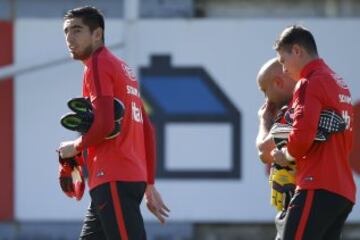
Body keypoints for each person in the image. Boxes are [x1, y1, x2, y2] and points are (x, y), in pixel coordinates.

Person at [58, 6, 170, 239]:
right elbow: (147, 129)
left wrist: (75, 146)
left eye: (77, 30)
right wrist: (148, 184)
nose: (70, 38)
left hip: (113, 177)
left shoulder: (97, 64)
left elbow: (106, 125)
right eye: (66, 31)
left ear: (97, 34)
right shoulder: (122, 68)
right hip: (122, 178)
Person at [272, 25, 356, 240]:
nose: (283, 69)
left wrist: (285, 155)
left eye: (283, 60)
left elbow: (302, 138)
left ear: (297, 51)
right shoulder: (338, 83)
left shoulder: (309, 82)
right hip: (342, 192)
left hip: (317, 184)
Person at [256, 58, 296, 240]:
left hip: (304, 199)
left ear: (278, 82)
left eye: (265, 91)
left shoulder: (296, 108)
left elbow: (264, 151)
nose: (266, 99)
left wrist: (263, 120)